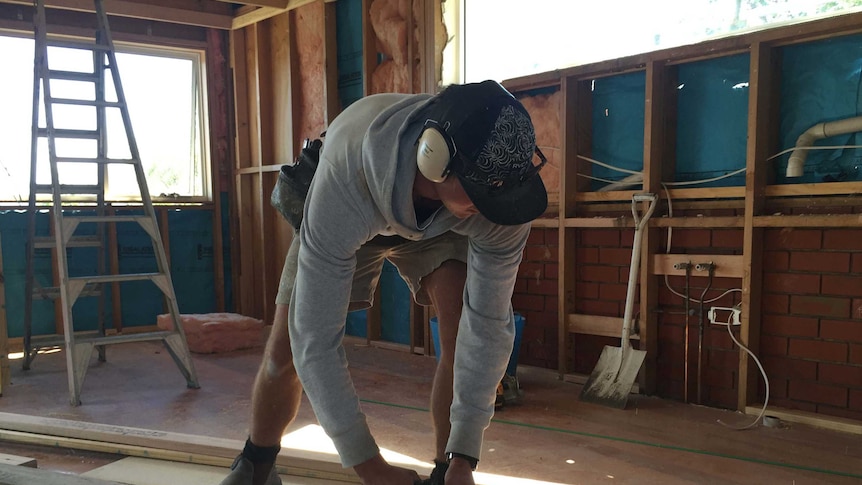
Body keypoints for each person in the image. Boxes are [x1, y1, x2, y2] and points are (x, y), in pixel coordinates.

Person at [219, 79, 547, 485]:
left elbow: (489, 326)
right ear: (434, 158)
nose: (493, 208)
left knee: (462, 330)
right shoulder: (346, 174)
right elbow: (315, 339)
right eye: (481, 194)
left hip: (443, 221)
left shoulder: (498, 199)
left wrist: (467, 454)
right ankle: (256, 464)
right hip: (357, 202)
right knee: (287, 348)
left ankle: (450, 469)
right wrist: (369, 467)